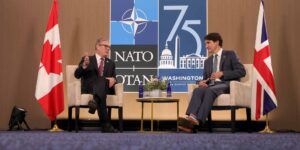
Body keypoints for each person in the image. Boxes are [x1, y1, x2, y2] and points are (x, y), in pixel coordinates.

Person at [178, 32, 246, 133]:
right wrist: (201, 82)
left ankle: (197, 121)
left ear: (217, 42)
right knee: (198, 90)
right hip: (212, 85)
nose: (206, 46)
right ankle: (192, 117)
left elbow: (241, 71)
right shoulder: (207, 61)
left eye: (208, 43)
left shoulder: (230, 54)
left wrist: (222, 73)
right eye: (205, 44)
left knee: (210, 90)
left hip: (227, 85)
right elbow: (206, 78)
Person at [74, 37, 117, 133]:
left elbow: (115, 78)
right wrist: (84, 66)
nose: (108, 49)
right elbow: (77, 75)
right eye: (105, 46)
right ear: (97, 46)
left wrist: (114, 80)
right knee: (102, 82)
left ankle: (95, 101)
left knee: (103, 82)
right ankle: (105, 125)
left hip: (105, 89)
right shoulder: (87, 59)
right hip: (90, 88)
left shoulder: (111, 63)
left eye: (109, 47)